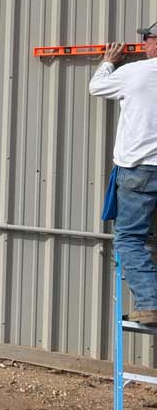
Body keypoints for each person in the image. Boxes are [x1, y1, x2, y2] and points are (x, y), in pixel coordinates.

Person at [89, 28, 157, 323]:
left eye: (148, 39)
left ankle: (150, 303)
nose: (143, 43)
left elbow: (96, 87)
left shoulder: (135, 72)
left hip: (138, 170)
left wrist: (107, 61)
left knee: (128, 238)